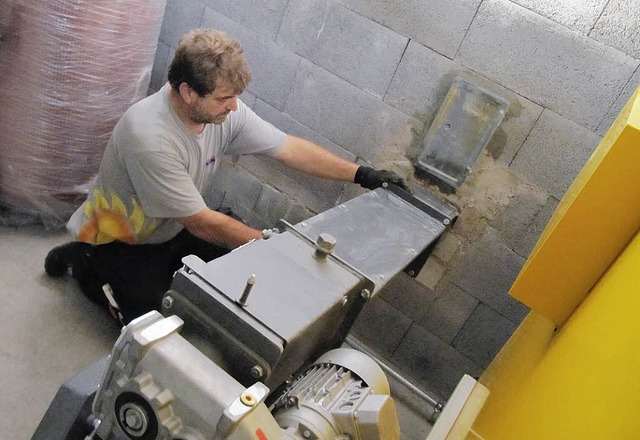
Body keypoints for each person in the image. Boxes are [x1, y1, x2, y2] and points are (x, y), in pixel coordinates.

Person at [44, 28, 408, 323]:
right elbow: (201, 222)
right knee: (154, 324)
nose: (233, 107)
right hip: (124, 240)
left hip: (172, 226)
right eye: (223, 98)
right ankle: (84, 260)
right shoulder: (149, 136)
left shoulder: (221, 112)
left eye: (234, 97)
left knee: (236, 275)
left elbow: (288, 149)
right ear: (187, 92)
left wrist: (362, 174)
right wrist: (275, 248)